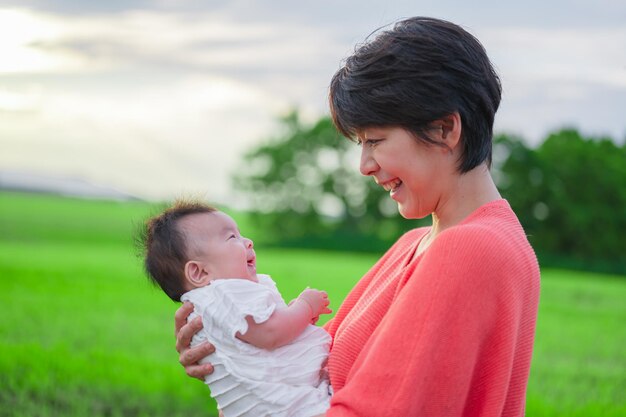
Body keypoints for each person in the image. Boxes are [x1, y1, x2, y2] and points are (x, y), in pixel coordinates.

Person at [175, 16, 541, 417]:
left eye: (375, 141)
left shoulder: (471, 249)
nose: (364, 165)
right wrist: (238, 358)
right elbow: (315, 369)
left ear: (443, 129)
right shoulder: (418, 243)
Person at [140, 201, 333, 417]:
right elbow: (270, 333)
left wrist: (293, 319)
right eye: (232, 238)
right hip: (286, 407)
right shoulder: (224, 294)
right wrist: (305, 306)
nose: (248, 242)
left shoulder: (213, 303)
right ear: (199, 272)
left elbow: (261, 341)